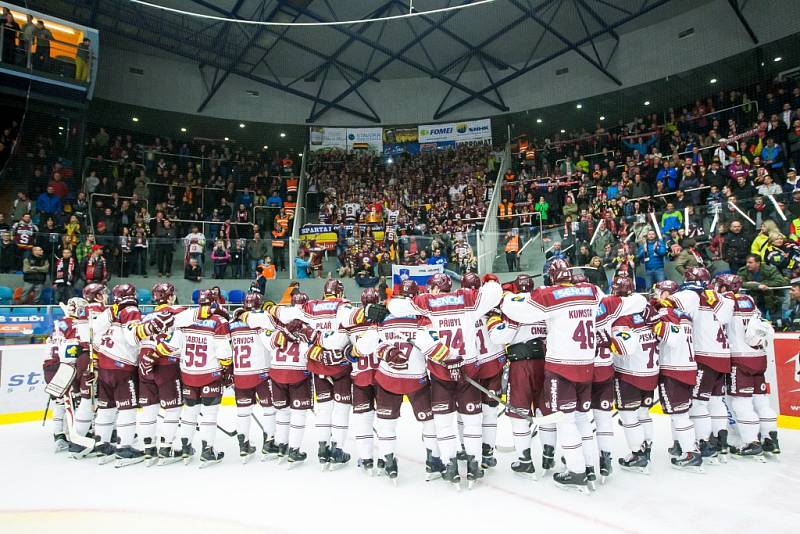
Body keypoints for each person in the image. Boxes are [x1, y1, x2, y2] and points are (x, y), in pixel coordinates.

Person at [385, 272, 503, 487]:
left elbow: (395, 307)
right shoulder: (469, 299)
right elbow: (495, 293)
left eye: (431, 287)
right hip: (468, 367)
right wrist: (491, 282)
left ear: (437, 289)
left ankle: (450, 465)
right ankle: (475, 464)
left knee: (444, 423)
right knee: (472, 421)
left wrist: (444, 356)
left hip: (441, 370)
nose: (430, 290)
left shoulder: (427, 302)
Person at [500, 259, 604, 492]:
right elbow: (600, 296)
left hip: (561, 367)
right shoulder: (592, 291)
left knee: (565, 421)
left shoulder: (549, 295)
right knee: (581, 419)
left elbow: (516, 310)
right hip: (587, 364)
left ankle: (576, 471)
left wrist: (504, 298)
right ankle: (589, 468)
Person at [356, 280, 444, 480]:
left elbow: (363, 349)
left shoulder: (383, 315)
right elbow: (434, 347)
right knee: (429, 422)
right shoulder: (424, 315)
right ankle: (434, 461)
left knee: (386, 424)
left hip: (388, 377)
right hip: (417, 378)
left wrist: (383, 348)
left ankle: (388, 461)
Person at [154, 289, 232, 466]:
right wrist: (227, 369)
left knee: (189, 412)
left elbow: (171, 348)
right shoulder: (218, 321)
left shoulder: (185, 319)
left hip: (188, 374)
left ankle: (185, 448)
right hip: (210, 374)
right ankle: (207, 450)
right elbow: (224, 353)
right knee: (209, 415)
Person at [664, 267, 734, 463]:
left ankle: (704, 443)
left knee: (698, 404)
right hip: (723, 357)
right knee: (716, 401)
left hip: (704, 357)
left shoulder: (690, 296)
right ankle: (721, 443)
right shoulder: (722, 297)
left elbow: (666, 303)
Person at [714, 274, 780, 458]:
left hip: (740, 358)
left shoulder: (726, 301)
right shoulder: (749, 299)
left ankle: (751, 441)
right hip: (758, 356)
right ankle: (770, 438)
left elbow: (719, 321)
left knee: (741, 402)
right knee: (761, 400)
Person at [230, 292, 278, 461]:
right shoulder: (263, 318)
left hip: (240, 374)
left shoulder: (233, 324)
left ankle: (243, 446)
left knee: (243, 412)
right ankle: (269, 443)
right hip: (262, 373)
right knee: (269, 410)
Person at [737, 254, 789, 319]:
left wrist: (763, 284)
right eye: (747, 262)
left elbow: (781, 281)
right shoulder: (742, 271)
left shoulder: (769, 270)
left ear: (758, 263)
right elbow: (739, 283)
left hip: (772, 298)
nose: (747, 264)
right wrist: (757, 286)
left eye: (750, 262)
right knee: (759, 320)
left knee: (776, 321)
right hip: (754, 299)